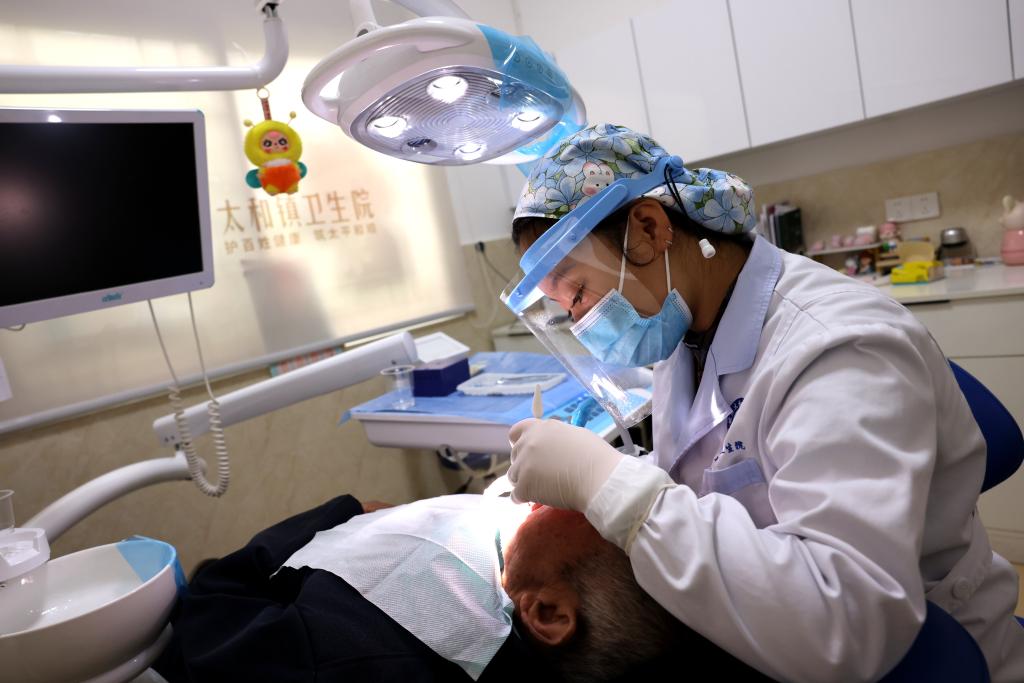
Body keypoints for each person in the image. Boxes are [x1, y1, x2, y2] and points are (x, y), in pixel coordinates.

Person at [503, 123, 1024, 682]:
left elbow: (848, 624)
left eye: (578, 292)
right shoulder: (688, 327)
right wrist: (610, 479)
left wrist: (610, 488)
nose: (581, 322)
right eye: (565, 307)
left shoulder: (840, 349)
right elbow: (711, 464)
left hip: (932, 653)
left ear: (649, 230)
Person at [154, 493, 766, 682]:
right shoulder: (523, 602)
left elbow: (206, 610)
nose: (577, 499)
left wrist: (344, 510)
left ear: (547, 613)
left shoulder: (350, 654)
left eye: (592, 520)